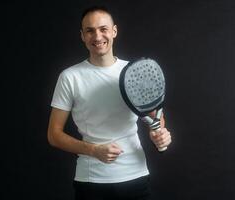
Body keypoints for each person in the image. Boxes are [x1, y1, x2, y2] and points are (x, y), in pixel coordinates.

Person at [47, 5, 172, 200]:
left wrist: (159, 133)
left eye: (103, 29)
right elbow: (54, 135)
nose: (97, 37)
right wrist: (94, 150)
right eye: (90, 31)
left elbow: (155, 117)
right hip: (92, 181)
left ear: (114, 31)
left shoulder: (135, 72)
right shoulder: (70, 77)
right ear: (82, 35)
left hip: (136, 177)